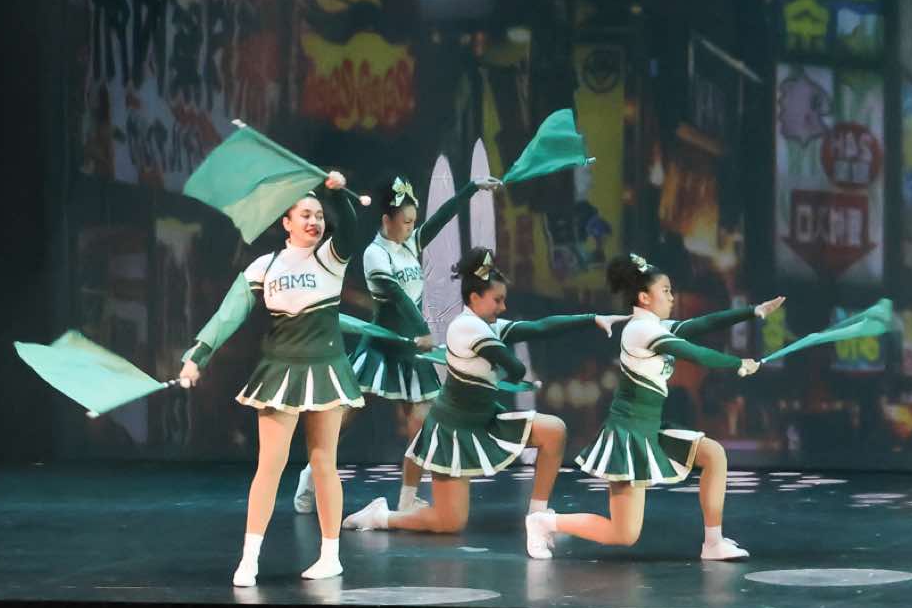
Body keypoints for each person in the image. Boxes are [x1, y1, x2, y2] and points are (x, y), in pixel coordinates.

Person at [340, 247, 621, 555]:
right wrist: (516, 374)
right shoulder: (466, 328)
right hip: (454, 432)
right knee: (448, 522)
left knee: (553, 430)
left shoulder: (486, 325)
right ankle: (380, 517)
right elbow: (514, 367)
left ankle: (538, 517)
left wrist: (592, 319)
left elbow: (540, 327)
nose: (503, 306)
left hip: (484, 419)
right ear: (475, 298)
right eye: (497, 300)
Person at [178, 174, 366, 586]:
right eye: (305, 215)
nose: (314, 222)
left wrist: (337, 194)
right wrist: (198, 355)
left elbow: (351, 227)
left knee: (324, 462)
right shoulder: (264, 266)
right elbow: (228, 314)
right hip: (280, 370)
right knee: (270, 465)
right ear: (287, 222)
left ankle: (330, 555)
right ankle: (249, 559)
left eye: (319, 216)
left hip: (326, 368)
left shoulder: (331, 257)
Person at [538, 253, 782, 561]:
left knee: (713, 455)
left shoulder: (655, 326)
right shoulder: (642, 330)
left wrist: (753, 311)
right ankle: (545, 522)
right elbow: (691, 351)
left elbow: (702, 324)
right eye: (665, 290)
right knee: (624, 534)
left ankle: (713, 543)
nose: (671, 296)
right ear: (644, 297)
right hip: (629, 436)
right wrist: (738, 363)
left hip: (650, 429)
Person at [287, 171, 500, 516]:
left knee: (422, 424)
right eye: (406, 222)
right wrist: (422, 329)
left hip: (410, 353)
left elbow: (442, 217)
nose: (412, 228)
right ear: (387, 220)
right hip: (381, 349)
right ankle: (311, 475)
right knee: (343, 419)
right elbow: (397, 296)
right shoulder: (375, 254)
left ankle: (407, 496)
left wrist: (472, 188)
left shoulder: (410, 243)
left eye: (414, 221)